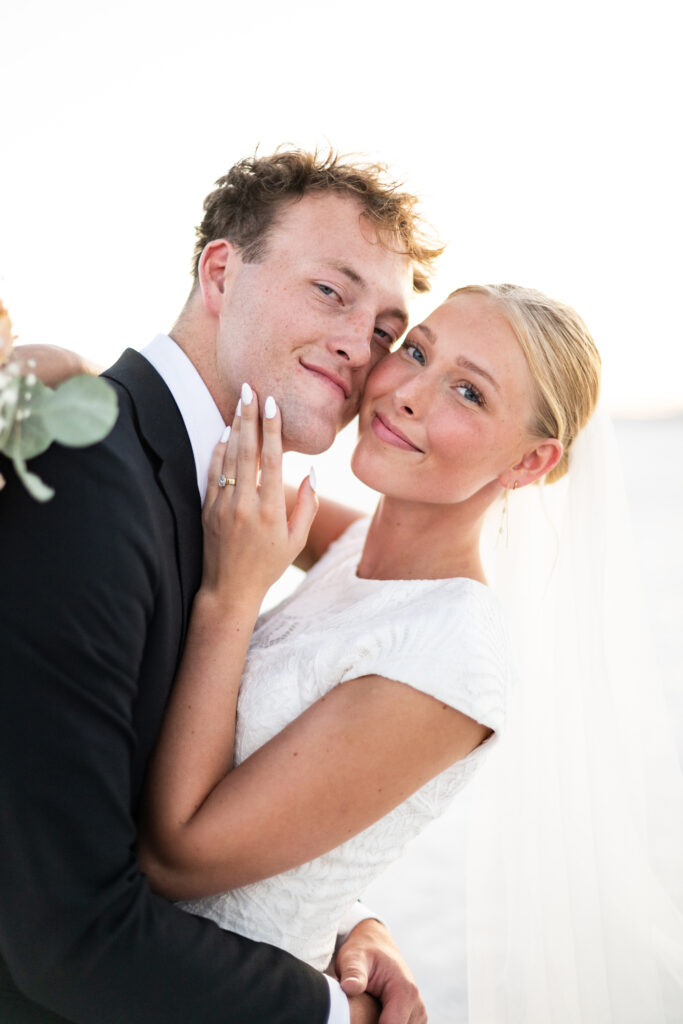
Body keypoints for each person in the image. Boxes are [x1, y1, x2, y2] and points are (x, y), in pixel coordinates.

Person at [0, 149, 443, 1024]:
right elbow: (65, 934)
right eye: (330, 291)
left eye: (389, 331)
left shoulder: (225, 501)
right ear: (219, 272)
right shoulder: (88, 478)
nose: (364, 345)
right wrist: (331, 1011)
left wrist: (341, 922)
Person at [132, 282, 596, 967]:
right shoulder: (354, 545)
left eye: (468, 393)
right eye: (414, 351)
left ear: (529, 463)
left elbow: (178, 858)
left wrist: (231, 601)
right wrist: (51, 373)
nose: (408, 392)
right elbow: (188, 456)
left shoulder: (451, 659)